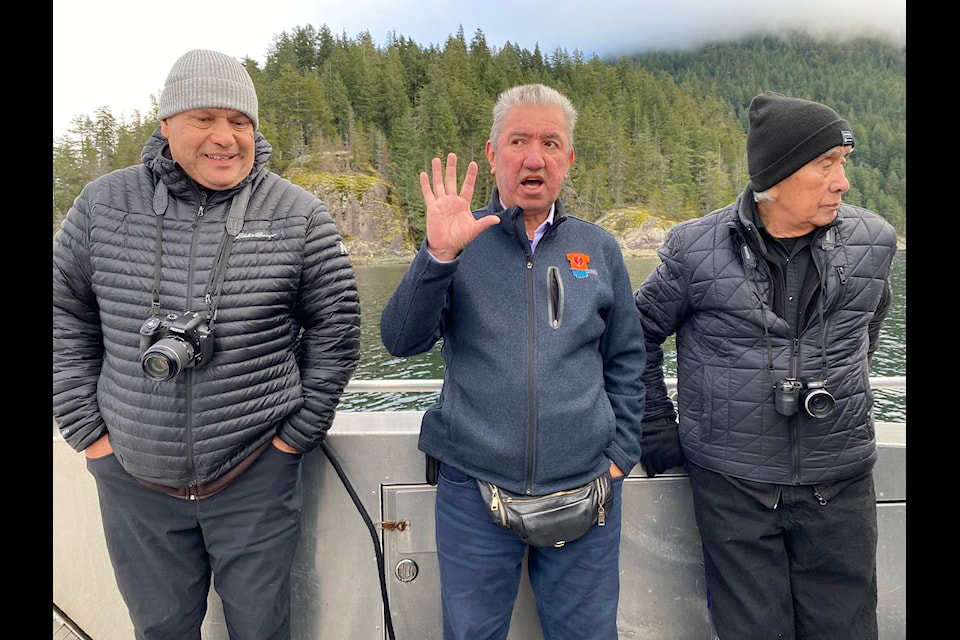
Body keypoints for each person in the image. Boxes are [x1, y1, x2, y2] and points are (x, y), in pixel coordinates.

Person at [52, 49, 360, 639]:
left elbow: (338, 331)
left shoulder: (299, 216)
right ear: (166, 125)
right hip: (133, 481)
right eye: (205, 118)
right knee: (160, 632)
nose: (226, 137)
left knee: (263, 631)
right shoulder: (101, 206)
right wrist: (88, 434)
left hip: (255, 475)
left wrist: (292, 443)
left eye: (239, 121)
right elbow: (65, 316)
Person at [380, 83, 646, 639]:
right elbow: (402, 341)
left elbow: (626, 358)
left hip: (587, 488)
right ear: (492, 153)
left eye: (550, 143)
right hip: (474, 489)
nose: (533, 157)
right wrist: (438, 258)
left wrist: (619, 454)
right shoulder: (459, 239)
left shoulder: (598, 249)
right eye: (518, 141)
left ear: (569, 159)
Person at [633, 91, 897, 639]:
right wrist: (658, 429)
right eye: (825, 165)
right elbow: (634, 336)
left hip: (840, 480)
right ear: (774, 178)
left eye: (841, 165)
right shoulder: (695, 249)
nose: (842, 183)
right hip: (734, 487)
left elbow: (865, 335)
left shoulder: (874, 242)